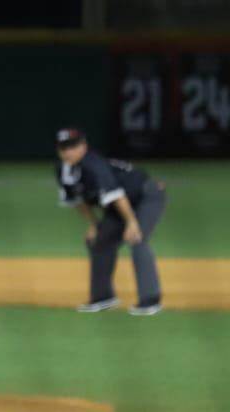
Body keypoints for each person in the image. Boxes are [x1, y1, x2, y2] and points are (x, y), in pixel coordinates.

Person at [55, 127, 166, 315]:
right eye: (63, 148)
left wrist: (131, 223)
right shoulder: (63, 170)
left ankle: (150, 300)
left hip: (146, 196)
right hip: (119, 205)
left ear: (84, 147)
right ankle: (103, 297)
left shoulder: (93, 166)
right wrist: (95, 225)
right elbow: (77, 200)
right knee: (99, 241)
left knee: (136, 239)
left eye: (72, 147)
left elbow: (117, 196)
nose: (68, 152)